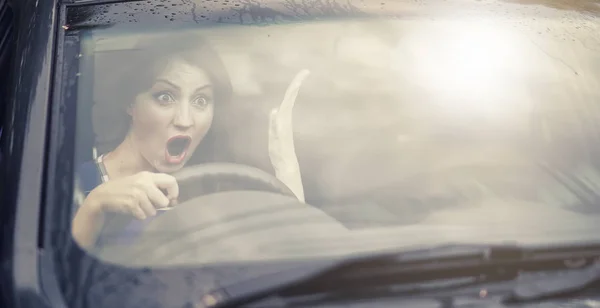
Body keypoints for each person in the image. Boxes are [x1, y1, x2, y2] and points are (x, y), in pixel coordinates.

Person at [71, 33, 308, 251]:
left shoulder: (217, 187)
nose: (185, 120)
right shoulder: (75, 187)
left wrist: (286, 166)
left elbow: (285, 260)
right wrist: (94, 206)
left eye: (201, 100)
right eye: (165, 97)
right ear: (130, 104)